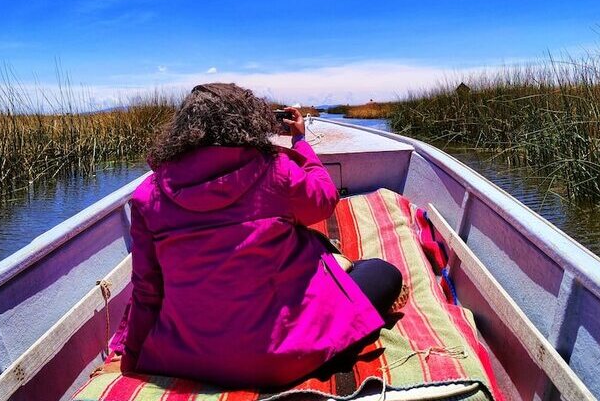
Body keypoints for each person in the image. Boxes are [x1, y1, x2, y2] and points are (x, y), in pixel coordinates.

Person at [120, 83, 405, 388]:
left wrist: (134, 356)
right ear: (248, 123)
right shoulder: (277, 171)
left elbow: (147, 289)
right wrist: (299, 142)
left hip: (187, 359)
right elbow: (324, 199)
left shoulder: (147, 195)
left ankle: (334, 265)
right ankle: (337, 267)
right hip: (280, 360)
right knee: (383, 274)